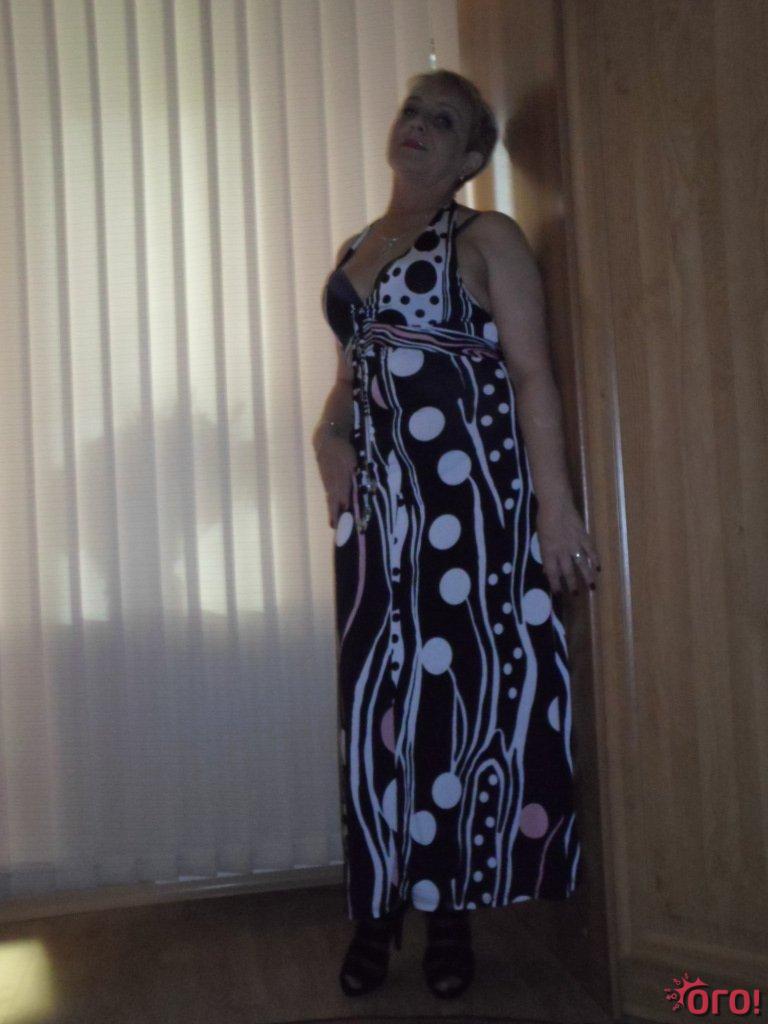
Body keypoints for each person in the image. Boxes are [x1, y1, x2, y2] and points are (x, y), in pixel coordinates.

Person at [315, 68, 601, 1001]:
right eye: (412, 110)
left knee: (453, 713)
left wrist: (556, 509)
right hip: (378, 524)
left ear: (471, 156)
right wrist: (326, 435)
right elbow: (352, 380)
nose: (417, 125)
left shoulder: (487, 238)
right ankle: (377, 911)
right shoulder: (356, 247)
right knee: (378, 716)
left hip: (470, 512)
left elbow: (533, 375)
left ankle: (447, 916)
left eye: (442, 120)